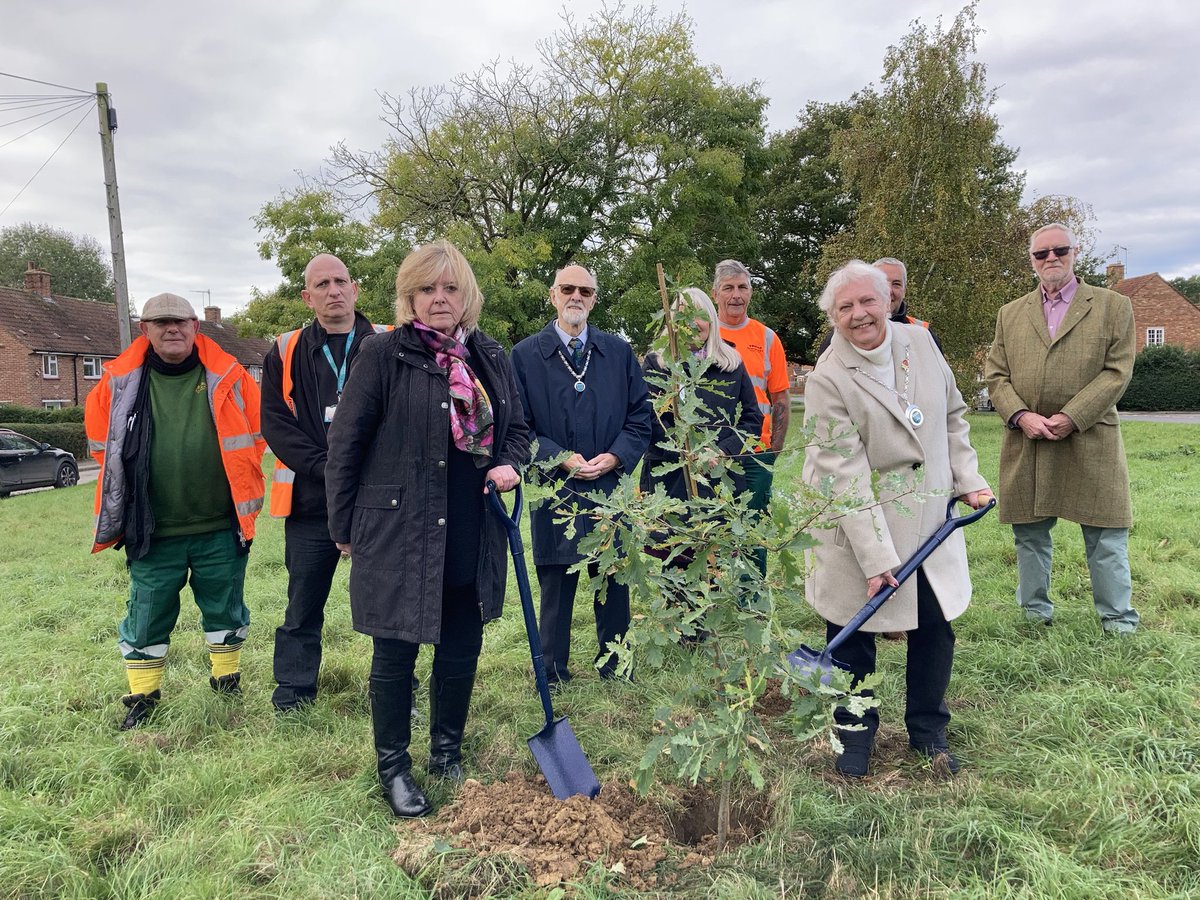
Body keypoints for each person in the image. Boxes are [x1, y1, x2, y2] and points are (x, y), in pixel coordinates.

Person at [325, 240, 528, 818]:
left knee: (462, 639)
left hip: (471, 522)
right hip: (398, 527)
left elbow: (518, 426)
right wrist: (343, 526)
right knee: (395, 650)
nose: (439, 299)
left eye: (450, 288)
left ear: (466, 296)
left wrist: (512, 461)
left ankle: (447, 753)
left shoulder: (488, 354)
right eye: (426, 289)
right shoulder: (383, 354)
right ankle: (393, 766)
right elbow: (346, 445)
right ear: (409, 297)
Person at [803, 261, 992, 778]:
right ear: (833, 317)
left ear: (888, 299)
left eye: (868, 301)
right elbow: (843, 473)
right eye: (845, 307)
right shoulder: (828, 378)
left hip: (928, 517)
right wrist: (877, 559)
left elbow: (953, 417)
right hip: (856, 523)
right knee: (852, 633)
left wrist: (968, 478)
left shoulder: (921, 344)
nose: (859, 314)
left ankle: (928, 731)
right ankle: (855, 736)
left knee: (935, 628)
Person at [86, 293, 266, 730]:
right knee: (146, 613)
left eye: (181, 321)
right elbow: (101, 449)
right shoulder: (116, 383)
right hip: (152, 529)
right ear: (143, 329)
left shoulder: (231, 376)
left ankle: (226, 683)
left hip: (220, 526)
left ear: (195, 327)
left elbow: (256, 438)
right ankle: (142, 698)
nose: (172, 329)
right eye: (161, 322)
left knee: (225, 608)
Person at [984, 223, 1138, 634]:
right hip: (1028, 438)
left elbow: (1117, 371)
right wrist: (1020, 415)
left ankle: (1118, 622)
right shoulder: (1010, 313)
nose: (1051, 258)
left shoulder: (1113, 305)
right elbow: (996, 375)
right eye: (1041, 254)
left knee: (1105, 534)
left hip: (1091, 435)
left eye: (1059, 250)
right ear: (1032, 261)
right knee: (1030, 534)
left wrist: (1073, 415)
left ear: (1075, 252)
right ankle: (1035, 615)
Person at [261, 254, 391, 713]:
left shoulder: (389, 342)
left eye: (340, 281)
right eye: (322, 284)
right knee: (302, 605)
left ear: (355, 289)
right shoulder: (284, 350)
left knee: (386, 606)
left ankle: (393, 691)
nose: (333, 290)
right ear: (307, 296)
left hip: (379, 502)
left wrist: (359, 472)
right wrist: (328, 468)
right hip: (311, 502)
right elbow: (277, 425)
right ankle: (293, 693)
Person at [511, 263, 652, 685]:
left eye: (585, 291)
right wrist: (560, 458)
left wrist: (616, 457)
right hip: (557, 488)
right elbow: (519, 427)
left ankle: (616, 663)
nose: (577, 297)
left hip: (611, 486)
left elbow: (640, 418)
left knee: (613, 576)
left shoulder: (618, 353)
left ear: (594, 299)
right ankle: (551, 669)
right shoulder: (524, 356)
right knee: (556, 579)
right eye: (568, 289)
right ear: (552, 295)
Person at [640, 287, 762, 504]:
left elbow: (752, 421)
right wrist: (688, 451)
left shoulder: (732, 365)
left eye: (700, 316)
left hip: (720, 478)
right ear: (672, 322)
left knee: (718, 536)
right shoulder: (656, 365)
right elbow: (647, 419)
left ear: (712, 321)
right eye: (684, 316)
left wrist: (722, 451)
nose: (693, 323)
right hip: (667, 479)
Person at [711, 259, 790, 576]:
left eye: (742, 287)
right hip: (712, 453)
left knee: (754, 528)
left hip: (756, 453)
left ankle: (752, 599)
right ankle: (710, 598)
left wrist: (775, 449)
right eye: (728, 288)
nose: (736, 295)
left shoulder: (767, 338)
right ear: (715, 293)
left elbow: (780, 396)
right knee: (713, 526)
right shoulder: (702, 334)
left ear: (751, 292)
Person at [816, 257, 941, 357]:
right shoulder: (839, 339)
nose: (888, 290)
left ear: (905, 291)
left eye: (896, 284)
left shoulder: (923, 334)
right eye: (882, 283)